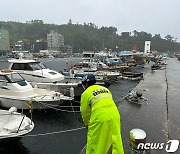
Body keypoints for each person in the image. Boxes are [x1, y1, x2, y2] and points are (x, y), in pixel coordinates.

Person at [80, 74, 124, 154]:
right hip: (115, 115)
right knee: (114, 138)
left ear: (85, 84)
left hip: (100, 118)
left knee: (96, 141)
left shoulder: (86, 93)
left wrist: (87, 123)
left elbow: (84, 112)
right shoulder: (105, 89)